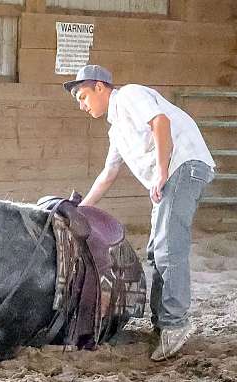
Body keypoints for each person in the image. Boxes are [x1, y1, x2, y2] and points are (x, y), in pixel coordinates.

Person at [63, 65, 215, 361]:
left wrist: (160, 173)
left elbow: (160, 121)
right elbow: (108, 173)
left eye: (83, 96)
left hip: (183, 166)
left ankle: (175, 323)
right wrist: (79, 211)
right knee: (156, 251)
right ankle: (162, 324)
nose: (82, 105)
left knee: (169, 247)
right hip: (171, 175)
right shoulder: (116, 129)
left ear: (100, 87)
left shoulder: (129, 95)